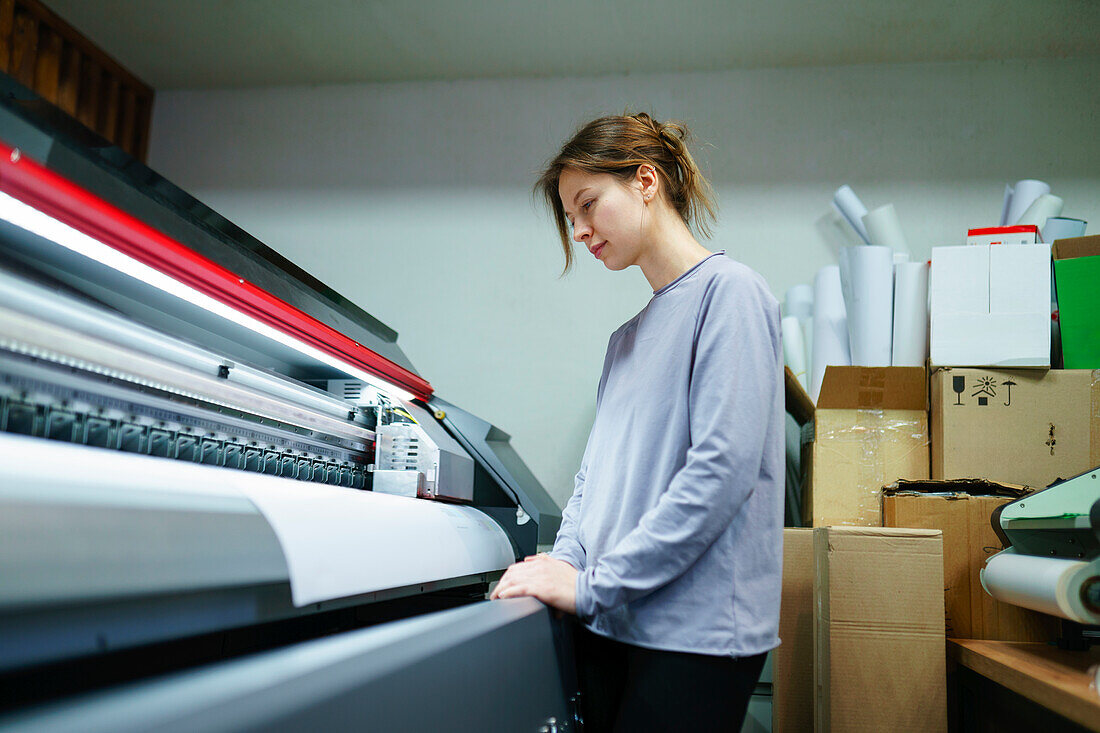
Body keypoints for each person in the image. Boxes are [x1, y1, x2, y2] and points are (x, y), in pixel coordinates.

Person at [490, 112, 784, 732]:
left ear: (645, 181)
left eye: (588, 205)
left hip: (694, 635)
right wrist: (562, 567)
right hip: (610, 618)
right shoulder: (623, 343)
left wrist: (591, 587)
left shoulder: (730, 294)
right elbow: (591, 483)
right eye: (572, 219)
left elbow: (721, 474)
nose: (582, 231)